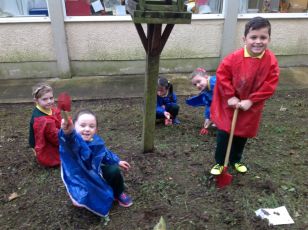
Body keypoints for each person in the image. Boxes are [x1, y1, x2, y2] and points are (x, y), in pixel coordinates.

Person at [210, 17, 279, 175]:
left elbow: (270, 84)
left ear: (269, 39)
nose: (258, 41)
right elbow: (222, 76)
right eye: (253, 37)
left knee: (242, 134)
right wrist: (230, 96)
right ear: (244, 39)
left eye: (263, 37)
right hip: (230, 104)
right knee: (225, 133)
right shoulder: (234, 58)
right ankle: (220, 162)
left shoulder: (271, 61)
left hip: (250, 107)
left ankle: (235, 160)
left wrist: (251, 100)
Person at [59, 109, 133, 219]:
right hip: (79, 176)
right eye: (83, 125)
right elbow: (68, 142)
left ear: (96, 129)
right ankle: (81, 197)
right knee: (85, 194)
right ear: (74, 126)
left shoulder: (95, 140)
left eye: (91, 126)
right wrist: (68, 133)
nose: (87, 129)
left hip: (95, 172)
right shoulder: (72, 142)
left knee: (114, 171)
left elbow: (104, 152)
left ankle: (119, 193)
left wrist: (117, 161)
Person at [28, 83, 61, 167]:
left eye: (51, 98)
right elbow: (54, 138)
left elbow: (57, 119)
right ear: (36, 101)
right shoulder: (41, 120)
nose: (49, 101)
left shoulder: (47, 108)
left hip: (50, 134)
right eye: (45, 99)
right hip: (43, 142)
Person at [186, 67, 216, 132]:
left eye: (199, 81)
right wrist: (208, 118)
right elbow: (209, 104)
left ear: (206, 77)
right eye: (195, 84)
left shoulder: (215, 83)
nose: (197, 85)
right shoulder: (205, 90)